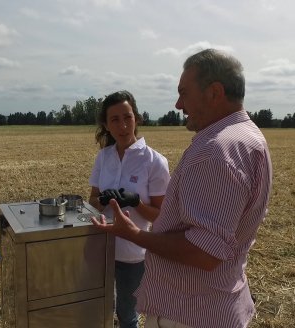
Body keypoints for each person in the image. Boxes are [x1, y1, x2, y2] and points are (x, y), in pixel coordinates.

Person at [91, 49, 272, 328]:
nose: (178, 104)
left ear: (214, 92)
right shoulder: (247, 138)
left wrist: (134, 233)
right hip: (210, 303)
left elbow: (204, 252)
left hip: (191, 313)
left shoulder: (216, 151)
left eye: (184, 93)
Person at [88, 90, 170, 328]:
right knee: (99, 309)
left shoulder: (154, 161)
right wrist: (103, 199)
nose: (123, 125)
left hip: (132, 253)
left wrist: (137, 203)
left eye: (128, 117)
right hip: (99, 249)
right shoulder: (103, 157)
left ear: (137, 118)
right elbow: (91, 202)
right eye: (115, 119)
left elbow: (161, 215)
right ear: (106, 125)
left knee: (127, 315)